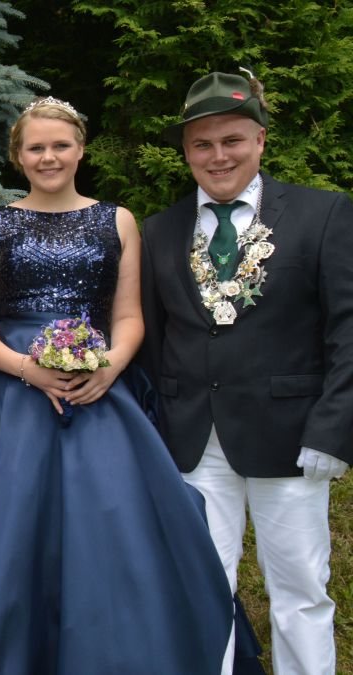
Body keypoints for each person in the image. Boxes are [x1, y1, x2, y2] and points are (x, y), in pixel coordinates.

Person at [0, 97, 234, 674]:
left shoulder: (116, 221)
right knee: (9, 532)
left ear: (81, 150)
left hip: (99, 392)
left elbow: (128, 315)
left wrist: (111, 366)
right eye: (36, 148)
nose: (49, 157)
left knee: (115, 525)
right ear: (18, 156)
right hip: (8, 397)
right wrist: (26, 368)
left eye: (60, 146)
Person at [141, 71, 353, 675]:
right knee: (203, 587)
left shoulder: (323, 214)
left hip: (293, 437)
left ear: (260, 140)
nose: (218, 157)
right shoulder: (160, 231)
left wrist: (334, 428)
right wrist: (164, 425)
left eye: (231, 140)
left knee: (301, 591)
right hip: (192, 440)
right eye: (201, 145)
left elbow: (348, 330)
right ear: (186, 152)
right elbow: (156, 343)